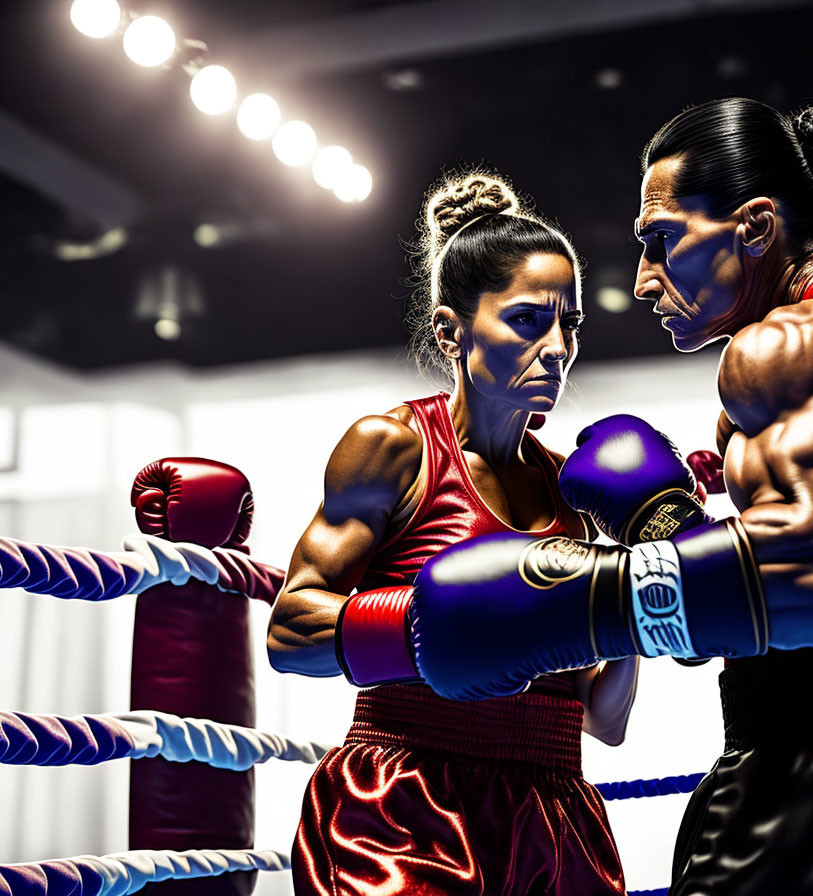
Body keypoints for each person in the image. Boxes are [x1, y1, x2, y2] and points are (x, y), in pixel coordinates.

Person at [337, 99, 813, 894]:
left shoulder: (777, 346)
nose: (642, 282)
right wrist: (662, 521)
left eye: (662, 241)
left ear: (757, 226)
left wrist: (570, 599)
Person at [266, 172, 638, 895]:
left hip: (554, 813)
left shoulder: (576, 490)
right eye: (531, 320)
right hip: (406, 808)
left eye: (572, 324)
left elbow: (604, 722)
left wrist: (632, 601)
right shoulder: (393, 448)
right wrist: (435, 627)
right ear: (451, 329)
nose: (559, 347)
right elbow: (290, 633)